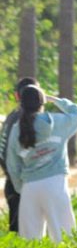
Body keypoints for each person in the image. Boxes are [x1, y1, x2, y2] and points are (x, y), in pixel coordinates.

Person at [4, 84, 77, 242]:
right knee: (64, 237)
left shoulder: (16, 129)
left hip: (29, 189)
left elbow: (12, 165)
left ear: (21, 104)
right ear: (42, 103)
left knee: (31, 242)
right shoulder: (58, 122)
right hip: (55, 185)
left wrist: (21, 187)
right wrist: (56, 100)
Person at [0, 76, 39, 233]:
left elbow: (3, 152)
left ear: (17, 96)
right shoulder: (30, 120)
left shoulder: (11, 117)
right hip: (23, 184)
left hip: (12, 183)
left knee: (17, 235)